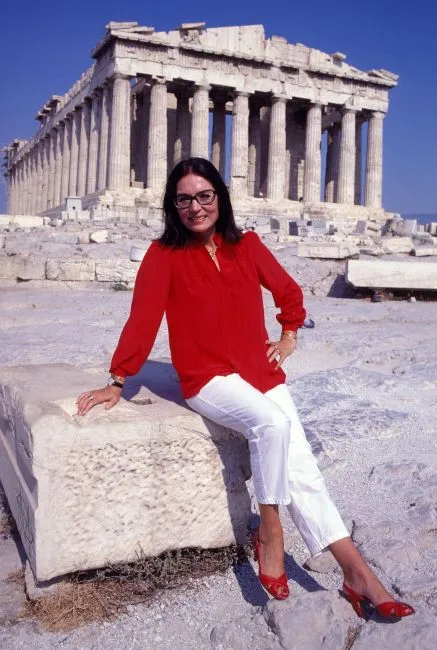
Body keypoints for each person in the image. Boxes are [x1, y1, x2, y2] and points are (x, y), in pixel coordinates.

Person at [77, 157, 414, 618]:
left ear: (220, 197)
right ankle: (271, 533)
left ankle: (357, 573)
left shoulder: (247, 245)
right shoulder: (164, 256)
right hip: (207, 379)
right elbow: (142, 320)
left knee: (301, 469)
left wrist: (289, 335)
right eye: (184, 199)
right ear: (172, 206)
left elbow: (288, 292)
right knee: (272, 424)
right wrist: (118, 379)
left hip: (259, 370)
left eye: (204, 196)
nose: (195, 207)